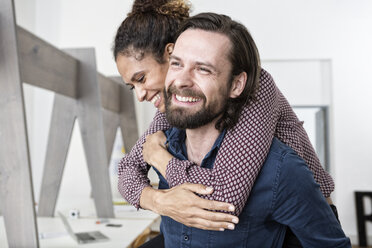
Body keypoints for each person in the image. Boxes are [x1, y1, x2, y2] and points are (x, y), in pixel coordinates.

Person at [143, 12, 350, 247]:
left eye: (203, 69)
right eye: (176, 64)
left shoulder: (280, 170)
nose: (181, 80)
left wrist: (161, 161)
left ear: (236, 85)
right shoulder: (161, 143)